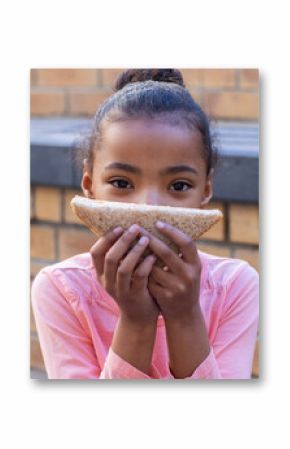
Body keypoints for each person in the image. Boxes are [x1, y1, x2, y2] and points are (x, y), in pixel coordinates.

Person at [31, 69, 259, 380]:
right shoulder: (61, 289)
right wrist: (136, 321)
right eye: (121, 182)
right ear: (89, 184)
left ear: (205, 190)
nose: (148, 207)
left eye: (178, 186)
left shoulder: (235, 286)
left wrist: (184, 315)